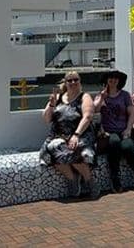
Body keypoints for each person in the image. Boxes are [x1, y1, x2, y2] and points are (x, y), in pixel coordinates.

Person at [40, 71, 99, 199]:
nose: (73, 82)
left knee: (75, 151)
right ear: (65, 83)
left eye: (76, 80)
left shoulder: (84, 96)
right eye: (70, 80)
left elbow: (88, 117)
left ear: (80, 81)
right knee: (52, 149)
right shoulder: (59, 97)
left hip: (81, 134)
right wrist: (51, 104)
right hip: (59, 135)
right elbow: (46, 119)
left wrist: (76, 135)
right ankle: (72, 179)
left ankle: (89, 181)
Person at [93, 69, 134, 192]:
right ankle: (115, 179)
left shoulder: (124, 95)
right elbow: (95, 111)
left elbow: (132, 113)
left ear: (119, 81)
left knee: (127, 147)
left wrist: (128, 129)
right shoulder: (101, 95)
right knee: (114, 143)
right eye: (110, 78)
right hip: (108, 132)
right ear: (107, 80)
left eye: (116, 78)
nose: (113, 80)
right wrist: (102, 97)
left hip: (124, 130)